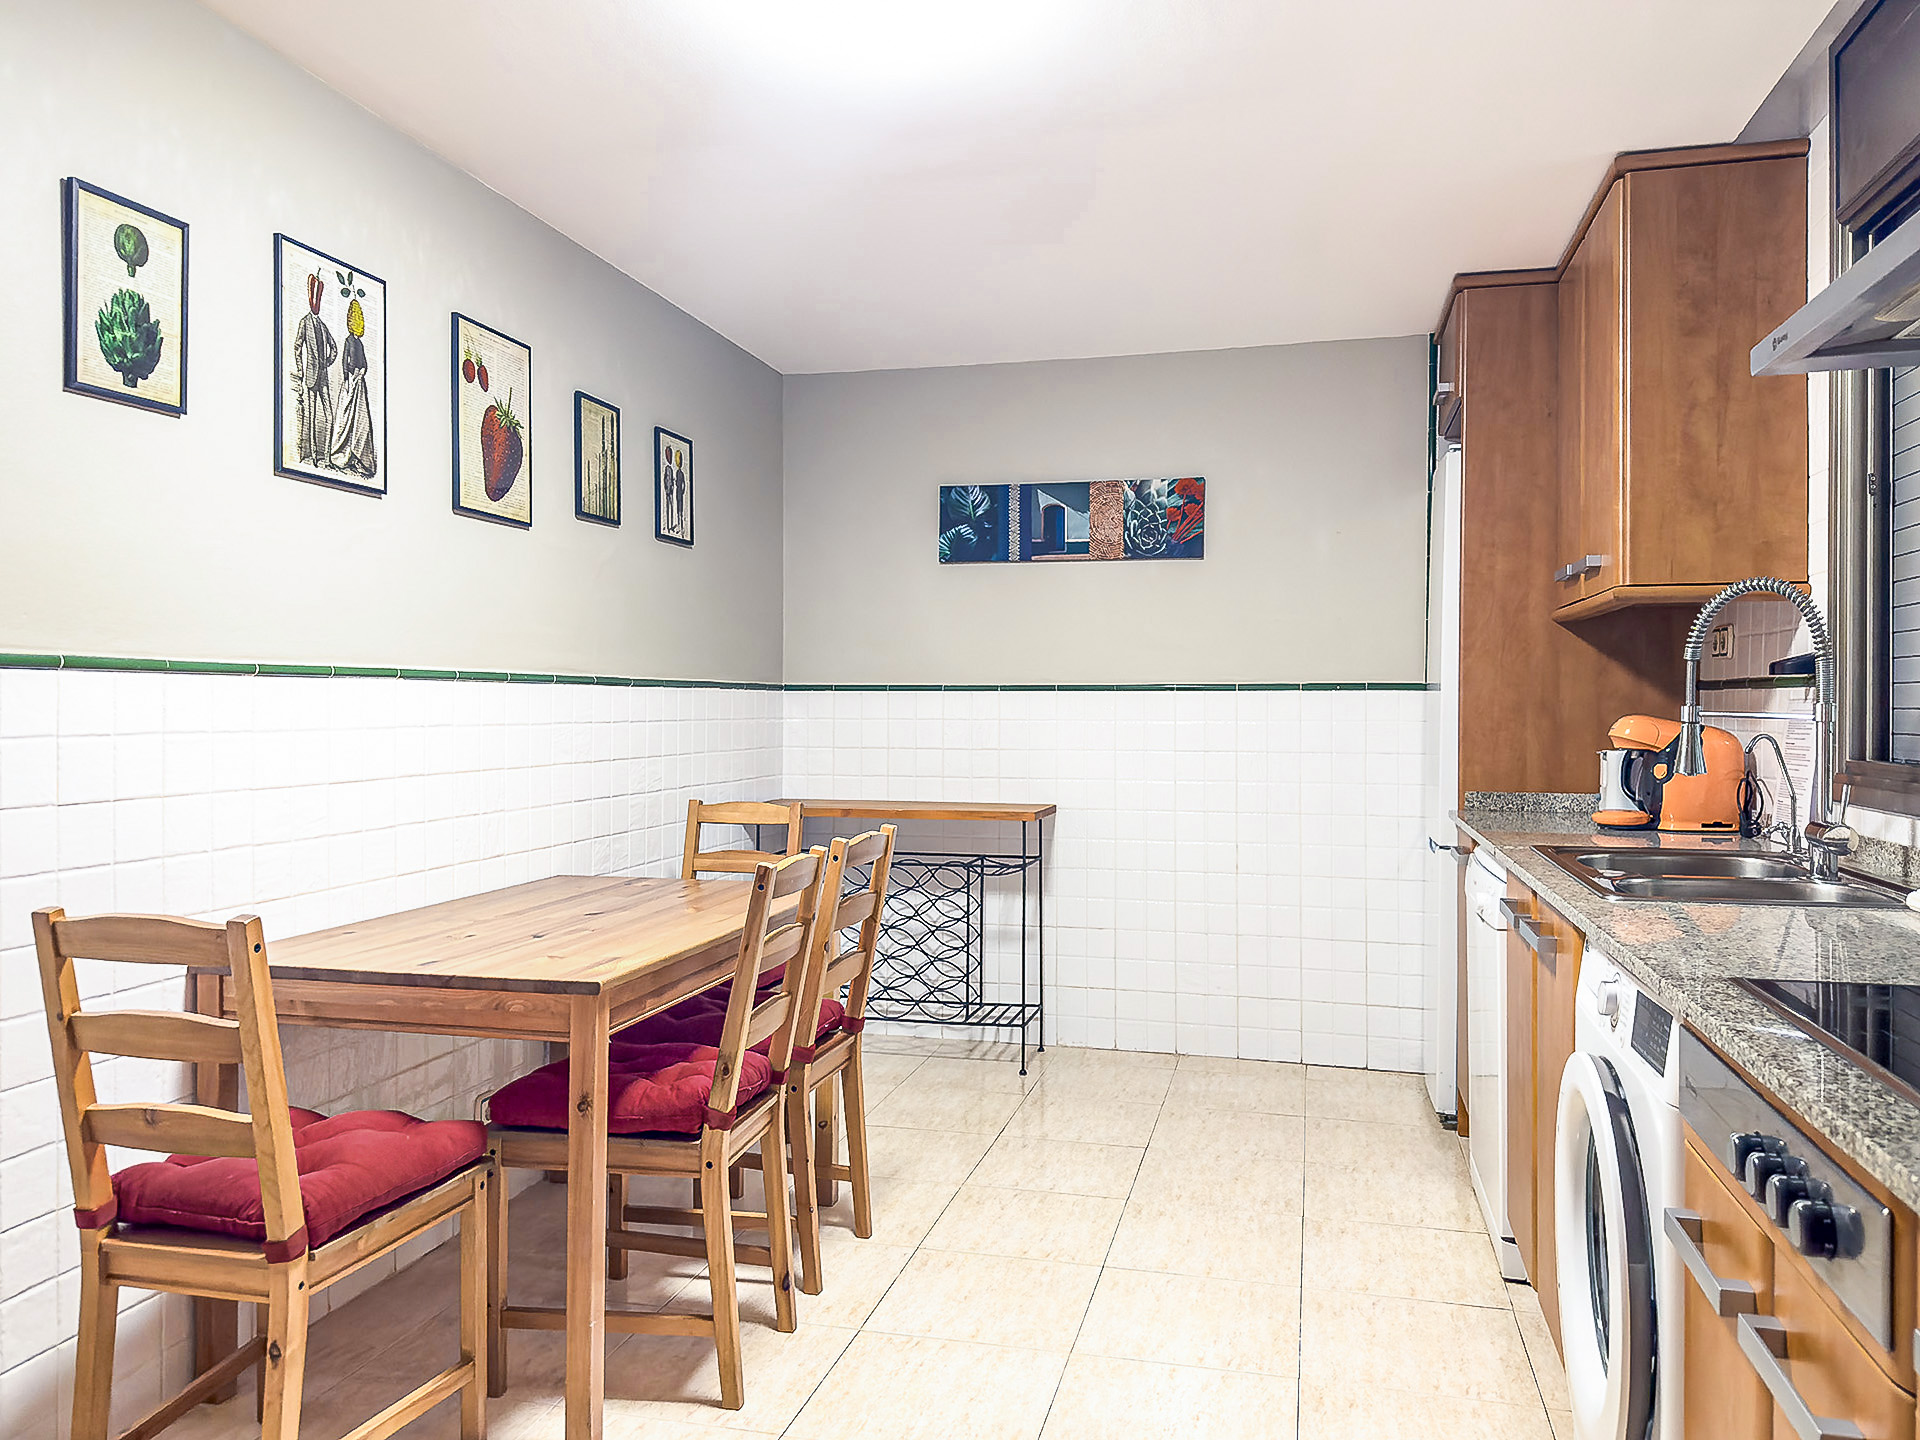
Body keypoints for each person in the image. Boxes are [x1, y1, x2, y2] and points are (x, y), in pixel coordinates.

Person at [328, 295, 377, 478]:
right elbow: (345, 363)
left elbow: (364, 364)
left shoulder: (359, 343)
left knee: (361, 421)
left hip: (358, 383)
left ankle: (359, 456)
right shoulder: (349, 341)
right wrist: (351, 378)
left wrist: (360, 373)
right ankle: (343, 455)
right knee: (346, 418)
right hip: (351, 384)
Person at [292, 272, 336, 466]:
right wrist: (301, 370)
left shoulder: (323, 326)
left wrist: (327, 362)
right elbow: (297, 346)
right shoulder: (304, 322)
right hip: (310, 376)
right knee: (310, 416)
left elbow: (334, 348)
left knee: (329, 416)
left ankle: (327, 457)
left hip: (323, 378)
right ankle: (316, 460)